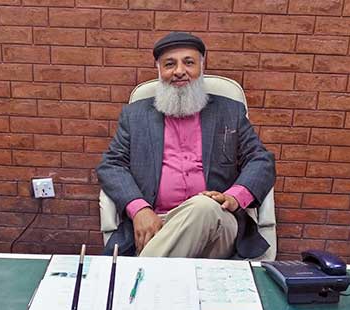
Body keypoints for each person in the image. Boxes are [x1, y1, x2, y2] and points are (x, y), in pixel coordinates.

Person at [96, 32, 275, 259]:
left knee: (203, 207)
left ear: (202, 66)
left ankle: (139, 275)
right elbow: (111, 165)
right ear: (159, 70)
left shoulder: (230, 112)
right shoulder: (135, 116)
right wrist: (139, 208)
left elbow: (261, 160)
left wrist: (234, 197)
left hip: (219, 224)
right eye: (170, 64)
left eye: (188, 62)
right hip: (157, 223)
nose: (179, 71)